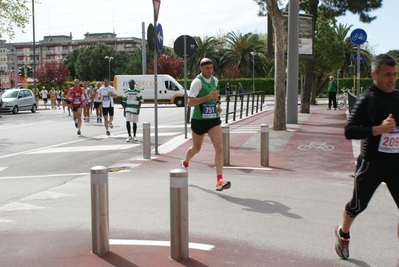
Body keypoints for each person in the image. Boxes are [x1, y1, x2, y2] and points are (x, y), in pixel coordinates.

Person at [334, 54, 399, 260]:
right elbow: (349, 131)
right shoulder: (367, 99)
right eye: (387, 74)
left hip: (396, 164)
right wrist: (378, 129)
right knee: (357, 206)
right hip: (372, 163)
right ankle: (343, 233)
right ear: (374, 75)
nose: (392, 79)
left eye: (395, 74)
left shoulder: (398, 96)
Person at [180, 58, 231, 191]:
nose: (210, 70)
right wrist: (207, 98)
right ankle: (185, 162)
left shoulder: (214, 80)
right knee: (196, 148)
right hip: (199, 119)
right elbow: (190, 103)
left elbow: (215, 96)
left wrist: (218, 104)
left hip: (213, 119)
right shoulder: (197, 82)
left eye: (211, 68)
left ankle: (219, 180)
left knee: (219, 147)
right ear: (200, 69)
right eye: (207, 68)